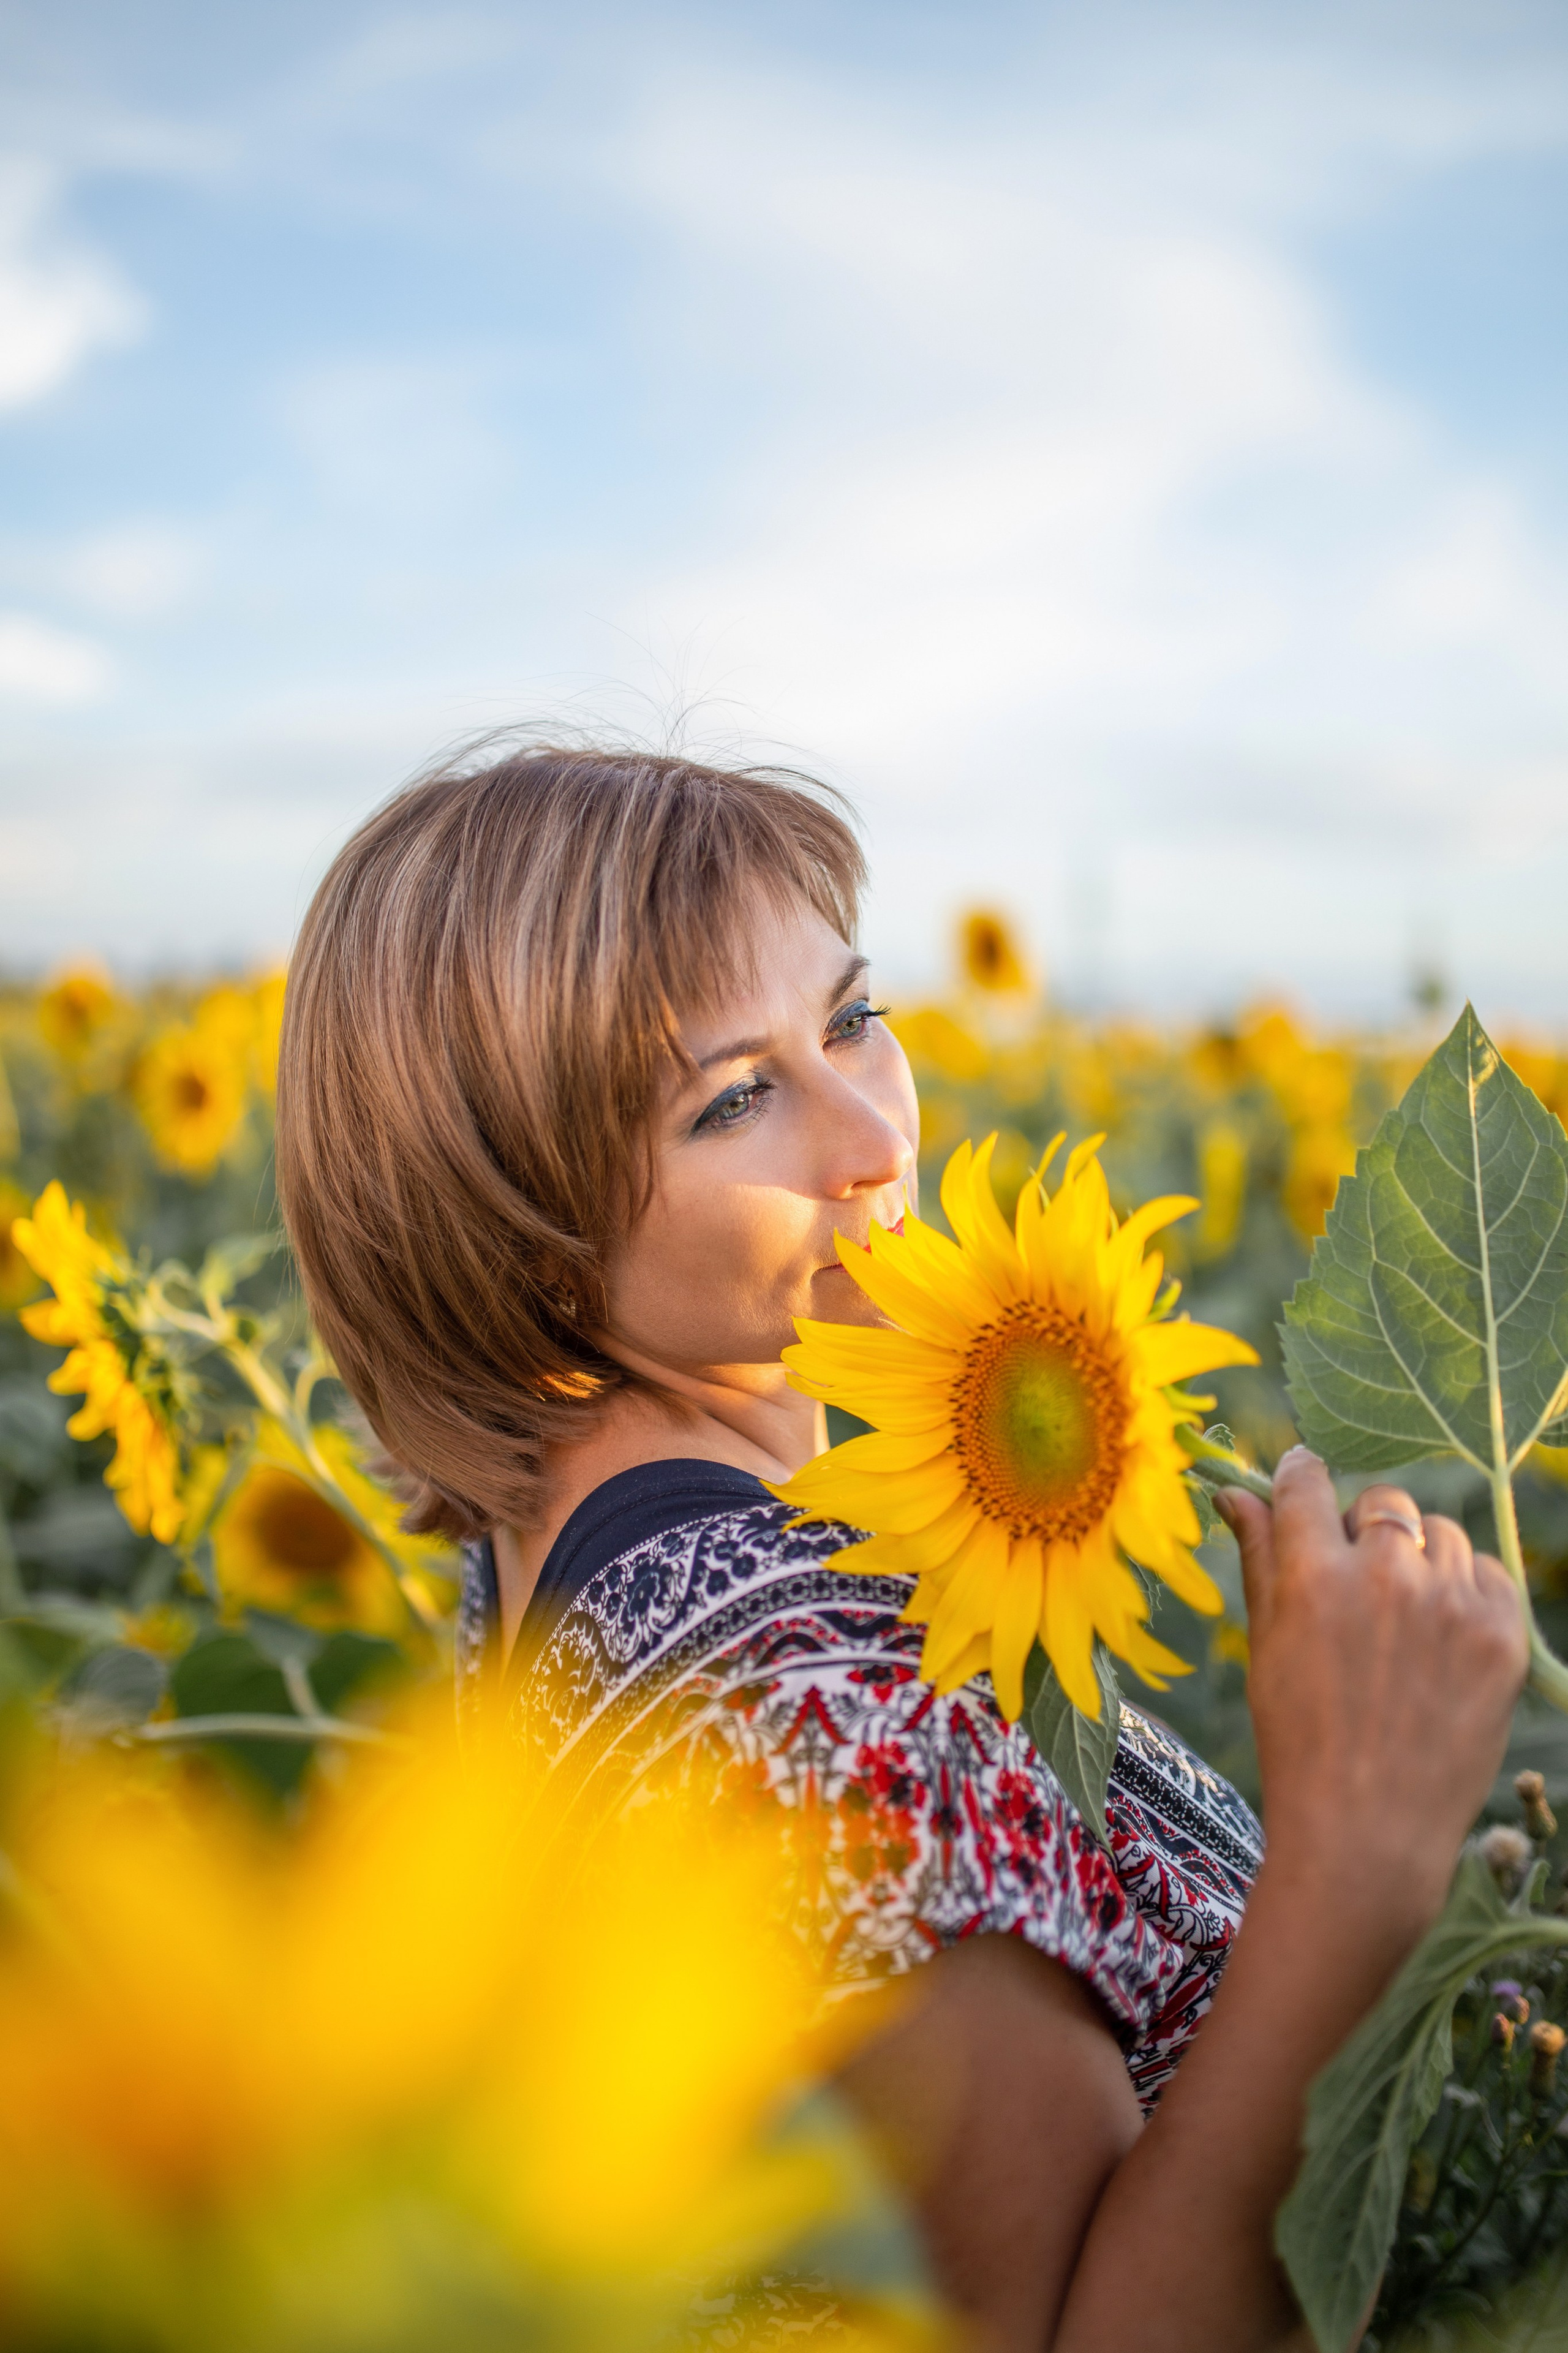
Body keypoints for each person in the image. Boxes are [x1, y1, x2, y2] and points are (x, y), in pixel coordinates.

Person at [275, 742, 1527, 2353]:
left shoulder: (558, 1572)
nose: (873, 1131)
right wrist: (1363, 1860)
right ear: (514, 1237)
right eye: (735, 1097)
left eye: (854, 1015)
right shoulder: (822, 1736)